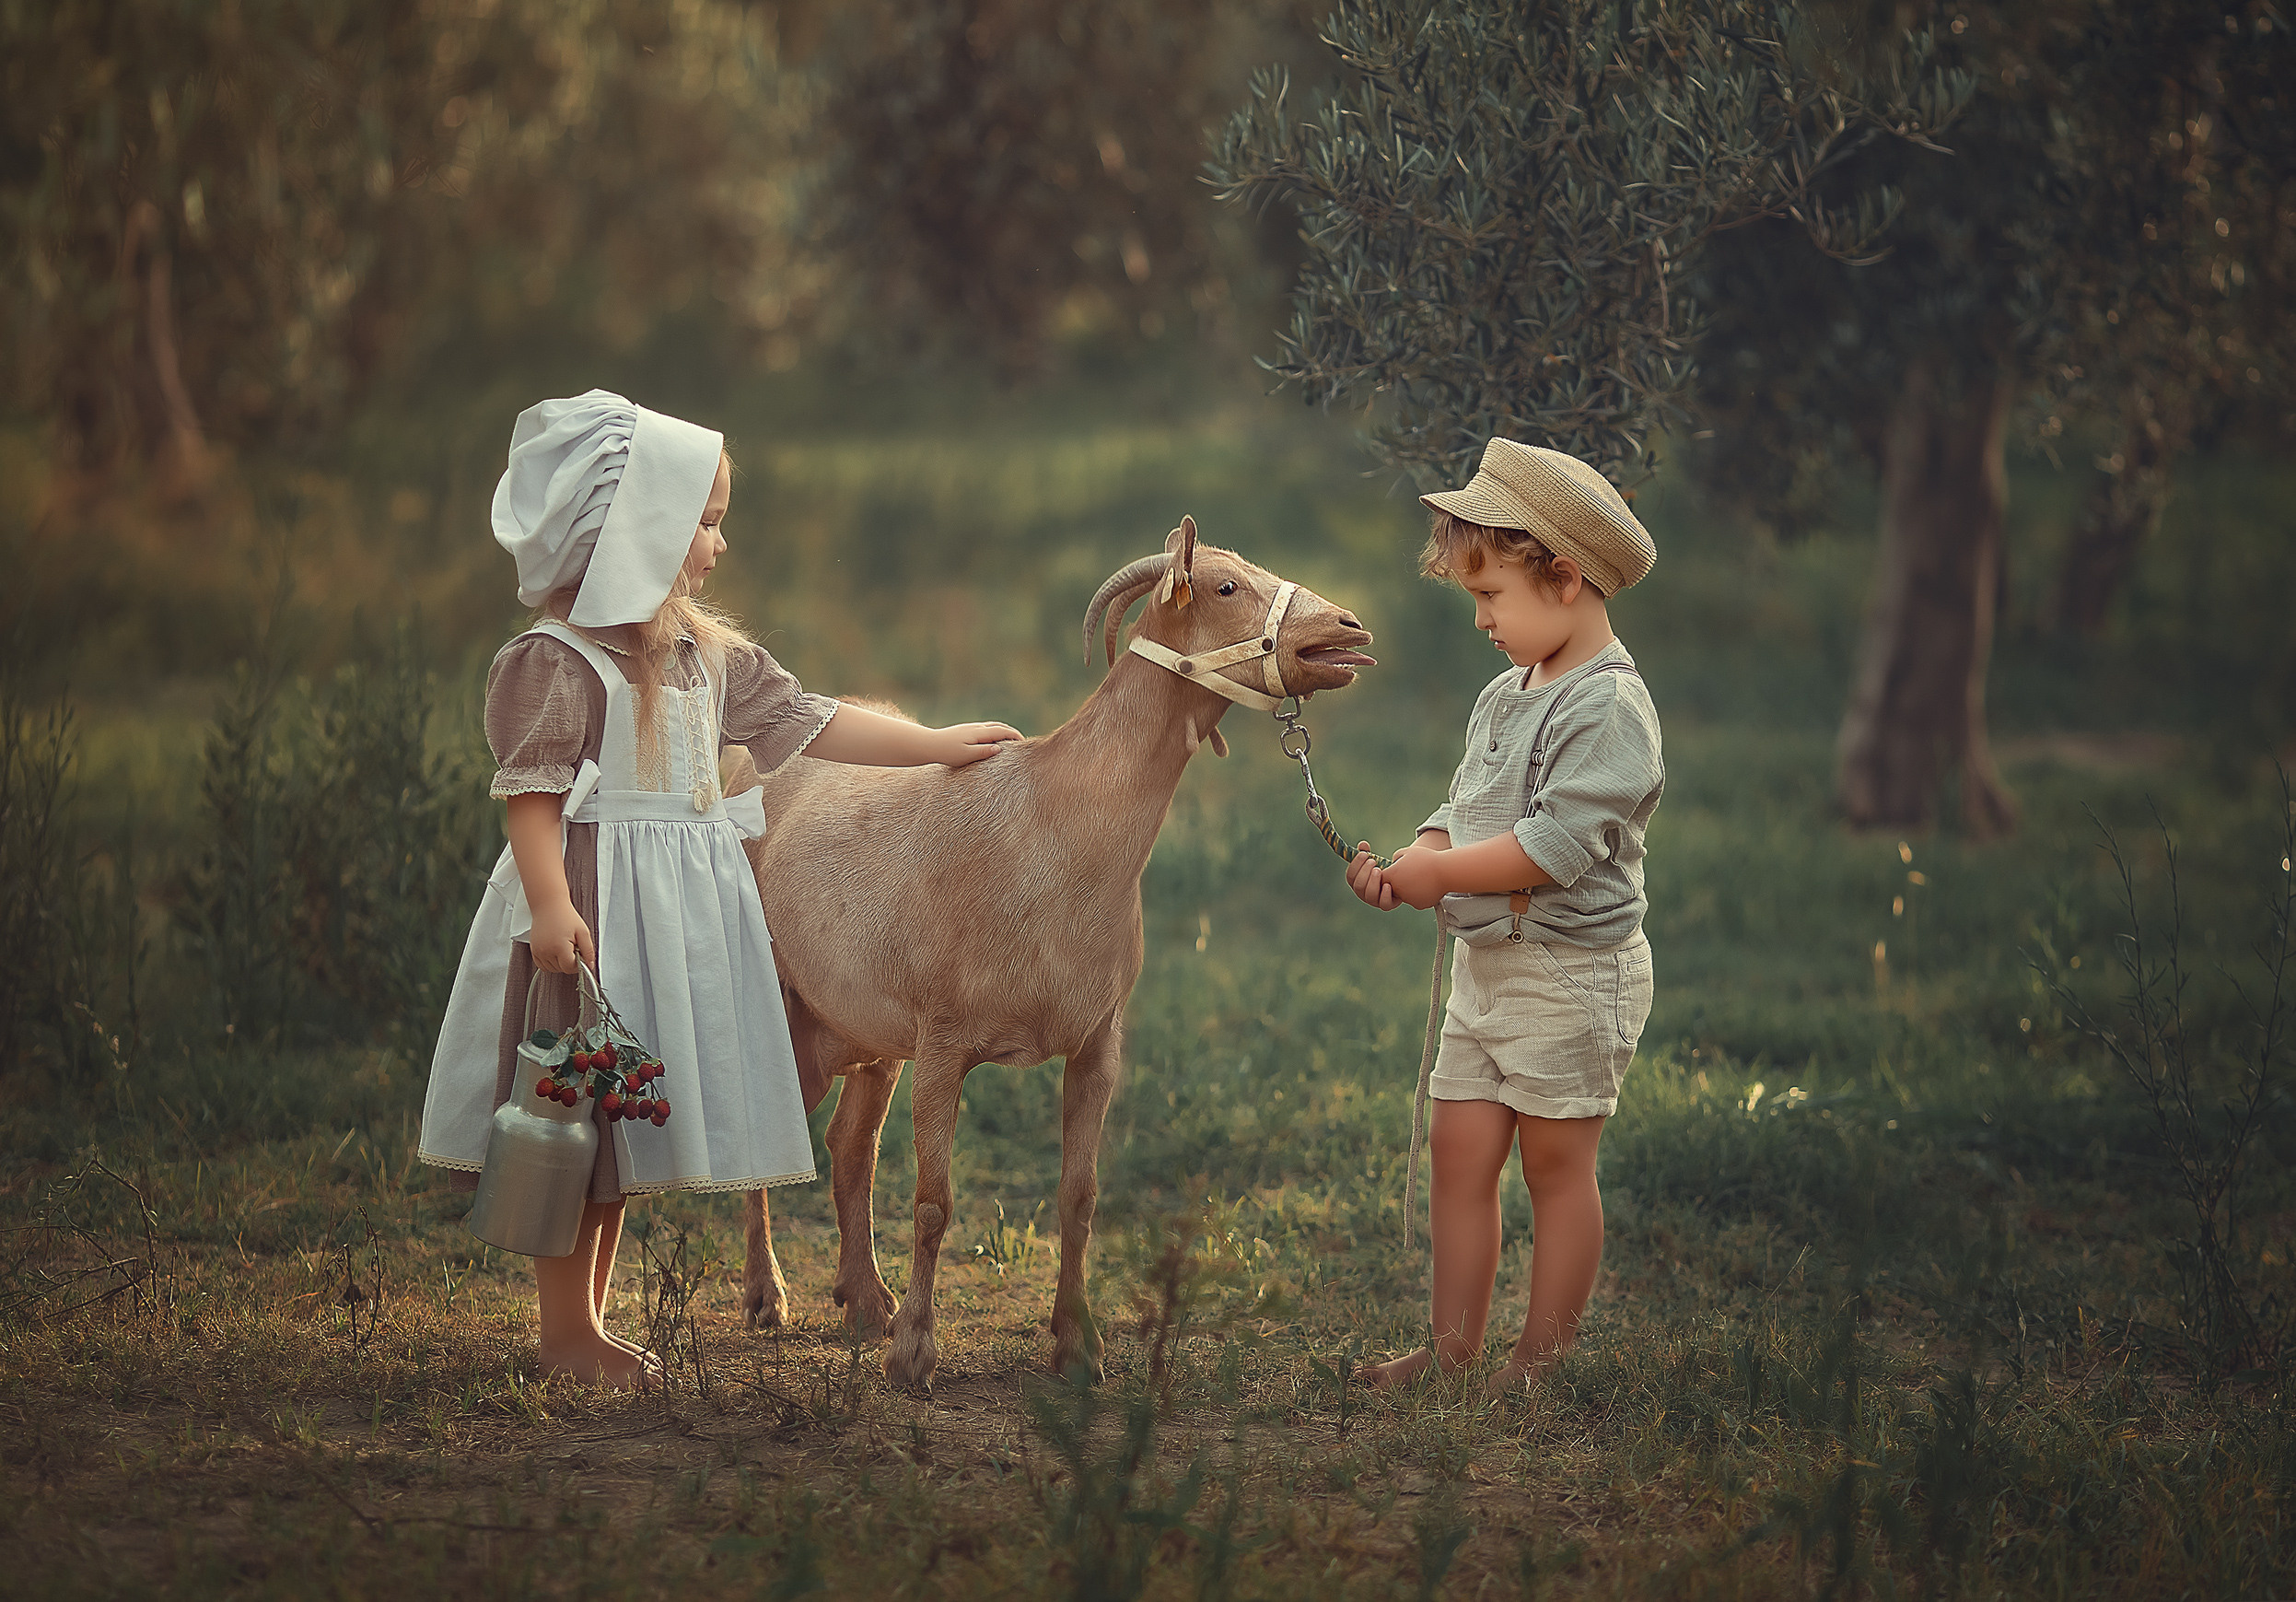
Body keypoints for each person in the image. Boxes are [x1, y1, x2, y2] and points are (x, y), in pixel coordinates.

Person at [418, 391, 1020, 1386]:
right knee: (572, 1124)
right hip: (594, 909)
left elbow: (812, 722)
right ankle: (565, 1332)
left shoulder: (703, 654)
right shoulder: (555, 662)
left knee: (613, 1135)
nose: (718, 544)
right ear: (633, 530)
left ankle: (589, 1323)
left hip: (668, 923)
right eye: (702, 522)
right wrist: (551, 905)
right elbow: (532, 797)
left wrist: (933, 746)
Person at [1346, 438, 1663, 1397]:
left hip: (1573, 973)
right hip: (1491, 968)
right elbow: (1465, 812)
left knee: (1555, 1163)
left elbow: (1551, 848)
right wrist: (1417, 861)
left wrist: (1444, 877)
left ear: (1563, 578)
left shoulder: (1608, 707)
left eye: (1492, 596)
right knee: (1462, 1152)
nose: (1481, 618)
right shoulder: (1504, 692)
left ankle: (1538, 1360)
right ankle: (1449, 1350)